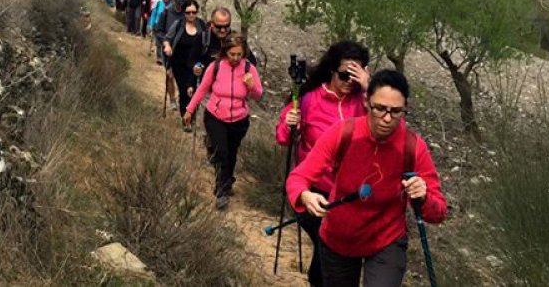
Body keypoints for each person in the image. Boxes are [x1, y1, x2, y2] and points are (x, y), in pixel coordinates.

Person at [286, 70, 447, 287]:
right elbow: (298, 177)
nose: (387, 118)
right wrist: (306, 196)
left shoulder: (413, 147)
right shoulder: (344, 133)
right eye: (379, 108)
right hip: (338, 237)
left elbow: (438, 212)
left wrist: (424, 195)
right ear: (367, 102)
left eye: (396, 111)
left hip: (386, 239)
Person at [275, 40, 372, 287]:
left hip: (349, 193)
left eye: (355, 76)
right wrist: (289, 124)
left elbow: (388, 126)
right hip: (313, 191)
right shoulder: (308, 100)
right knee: (327, 243)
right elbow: (283, 139)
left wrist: (369, 88)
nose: (349, 82)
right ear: (331, 70)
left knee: (334, 250)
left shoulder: (365, 103)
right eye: (344, 75)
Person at [184, 35, 263, 210]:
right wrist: (190, 109)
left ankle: (227, 181)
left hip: (239, 119)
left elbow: (258, 95)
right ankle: (221, 191)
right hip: (215, 115)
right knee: (222, 152)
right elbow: (203, 88)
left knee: (232, 153)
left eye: (239, 54)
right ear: (225, 52)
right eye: (232, 54)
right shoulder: (216, 66)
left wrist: (251, 85)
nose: (235, 58)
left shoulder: (250, 69)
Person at [162, 0, 207, 127]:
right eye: (188, 12)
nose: (191, 15)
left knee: (194, 91)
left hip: (195, 65)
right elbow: (167, 38)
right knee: (184, 90)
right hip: (179, 64)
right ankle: (185, 118)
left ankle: (190, 117)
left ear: (197, 12)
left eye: (194, 12)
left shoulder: (202, 26)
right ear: (184, 12)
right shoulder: (178, 24)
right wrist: (167, 46)